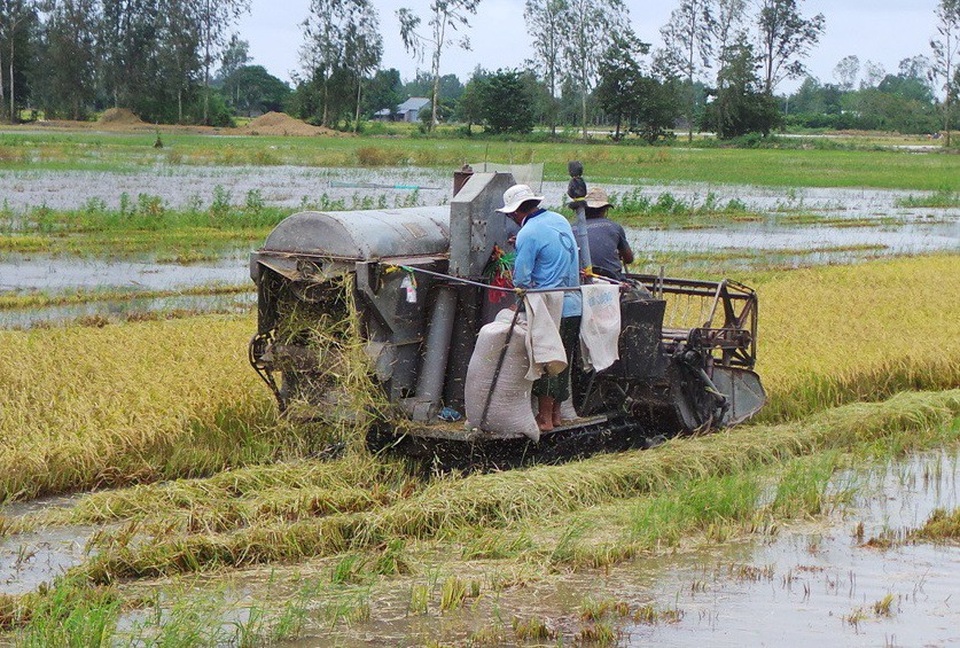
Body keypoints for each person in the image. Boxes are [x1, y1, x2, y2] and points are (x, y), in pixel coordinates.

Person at [496, 183, 581, 432]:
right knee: (562, 360)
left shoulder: (528, 233)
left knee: (546, 360)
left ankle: (543, 419)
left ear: (515, 213)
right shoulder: (559, 219)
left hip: (549, 307)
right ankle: (556, 415)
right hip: (574, 303)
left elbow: (522, 279)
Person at [584, 187, 634, 280]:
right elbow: (629, 259)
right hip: (612, 278)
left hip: (582, 278)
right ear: (605, 209)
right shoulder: (615, 227)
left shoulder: (573, 228)